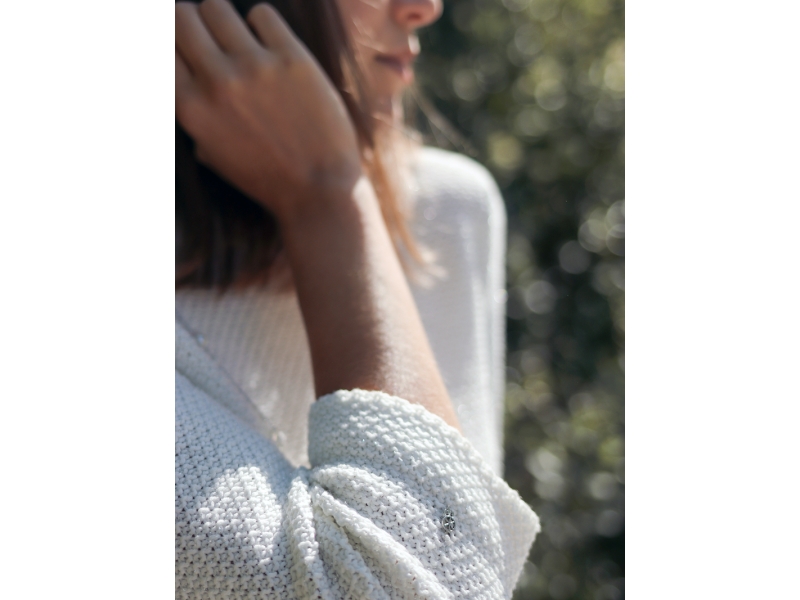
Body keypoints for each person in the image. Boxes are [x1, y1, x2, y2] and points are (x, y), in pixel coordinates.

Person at [174, 0, 540, 597]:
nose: (425, 8)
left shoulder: (446, 209)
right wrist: (327, 196)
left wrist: (335, 196)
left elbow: (454, 545)